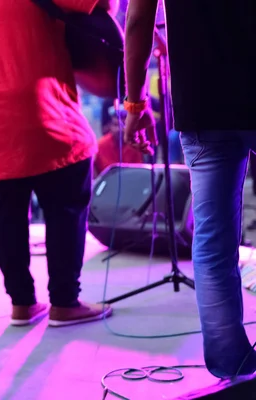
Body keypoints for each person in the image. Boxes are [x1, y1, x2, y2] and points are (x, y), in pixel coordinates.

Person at [0, 0, 115, 327]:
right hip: (39, 106)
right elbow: (100, 5)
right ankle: (65, 302)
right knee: (66, 200)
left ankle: (22, 303)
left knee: (5, 208)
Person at [124, 0, 256, 378]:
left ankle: (232, 366)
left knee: (213, 242)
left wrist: (135, 103)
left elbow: (137, 20)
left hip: (203, 100)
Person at [95, 107, 143, 176]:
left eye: (123, 125)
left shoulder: (135, 145)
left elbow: (138, 172)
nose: (119, 129)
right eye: (115, 125)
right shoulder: (101, 145)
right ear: (110, 126)